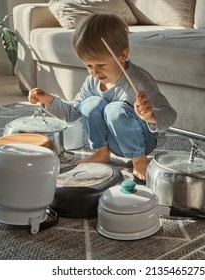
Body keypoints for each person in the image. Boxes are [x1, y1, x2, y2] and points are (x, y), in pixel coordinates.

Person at [28, 13, 176, 183]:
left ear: (123, 55)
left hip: (143, 141)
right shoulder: (92, 82)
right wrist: (48, 100)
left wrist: (149, 116)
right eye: (88, 65)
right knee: (90, 103)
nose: (94, 72)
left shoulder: (139, 81)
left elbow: (170, 115)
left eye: (101, 65)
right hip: (114, 140)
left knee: (114, 109)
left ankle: (139, 160)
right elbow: (72, 113)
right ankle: (101, 153)